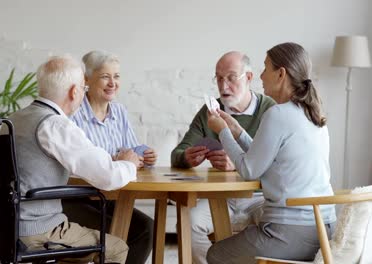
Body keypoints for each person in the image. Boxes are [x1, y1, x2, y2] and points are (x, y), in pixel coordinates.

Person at [2, 55, 142, 264]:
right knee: (116, 248)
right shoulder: (55, 125)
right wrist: (129, 164)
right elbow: (108, 177)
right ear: (74, 91)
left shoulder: (12, 119)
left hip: (5, 226)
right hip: (39, 230)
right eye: (84, 89)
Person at [205, 42, 336, 263]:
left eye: (266, 68)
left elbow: (248, 170)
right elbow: (266, 157)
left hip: (290, 234)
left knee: (216, 254)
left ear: (281, 74)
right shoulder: (313, 115)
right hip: (323, 230)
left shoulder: (277, 114)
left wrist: (223, 132)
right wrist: (237, 132)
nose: (261, 75)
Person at [170, 51, 276, 264]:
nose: (223, 85)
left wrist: (237, 164)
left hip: (259, 198)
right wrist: (187, 158)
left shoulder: (270, 109)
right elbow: (177, 154)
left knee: (276, 227)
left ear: (248, 78)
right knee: (187, 221)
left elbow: (277, 163)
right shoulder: (210, 111)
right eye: (218, 78)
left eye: (230, 77)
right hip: (220, 199)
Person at [63, 50, 155, 264]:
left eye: (117, 76)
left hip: (110, 197)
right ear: (86, 79)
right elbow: (74, 165)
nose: (113, 83)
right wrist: (118, 161)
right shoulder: (73, 115)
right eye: (105, 76)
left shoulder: (119, 111)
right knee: (120, 234)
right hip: (76, 199)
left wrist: (145, 156)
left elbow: (133, 151)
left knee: (147, 228)